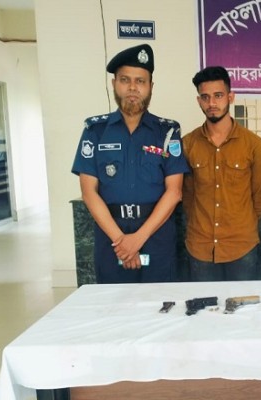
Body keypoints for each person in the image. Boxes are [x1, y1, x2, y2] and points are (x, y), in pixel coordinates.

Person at [71, 44, 189, 283]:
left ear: (151, 87)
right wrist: (121, 242)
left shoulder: (167, 132)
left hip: (156, 236)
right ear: (114, 83)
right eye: (125, 80)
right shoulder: (95, 131)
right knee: (114, 301)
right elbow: (89, 192)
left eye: (140, 81)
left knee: (159, 301)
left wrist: (137, 240)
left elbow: (174, 192)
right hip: (111, 238)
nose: (133, 88)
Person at [182, 66, 261, 281]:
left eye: (218, 96)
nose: (212, 103)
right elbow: (188, 196)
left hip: (242, 246)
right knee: (204, 303)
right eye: (205, 97)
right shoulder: (188, 144)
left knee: (242, 302)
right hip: (200, 246)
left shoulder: (254, 145)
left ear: (230, 97)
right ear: (199, 101)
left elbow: (258, 198)